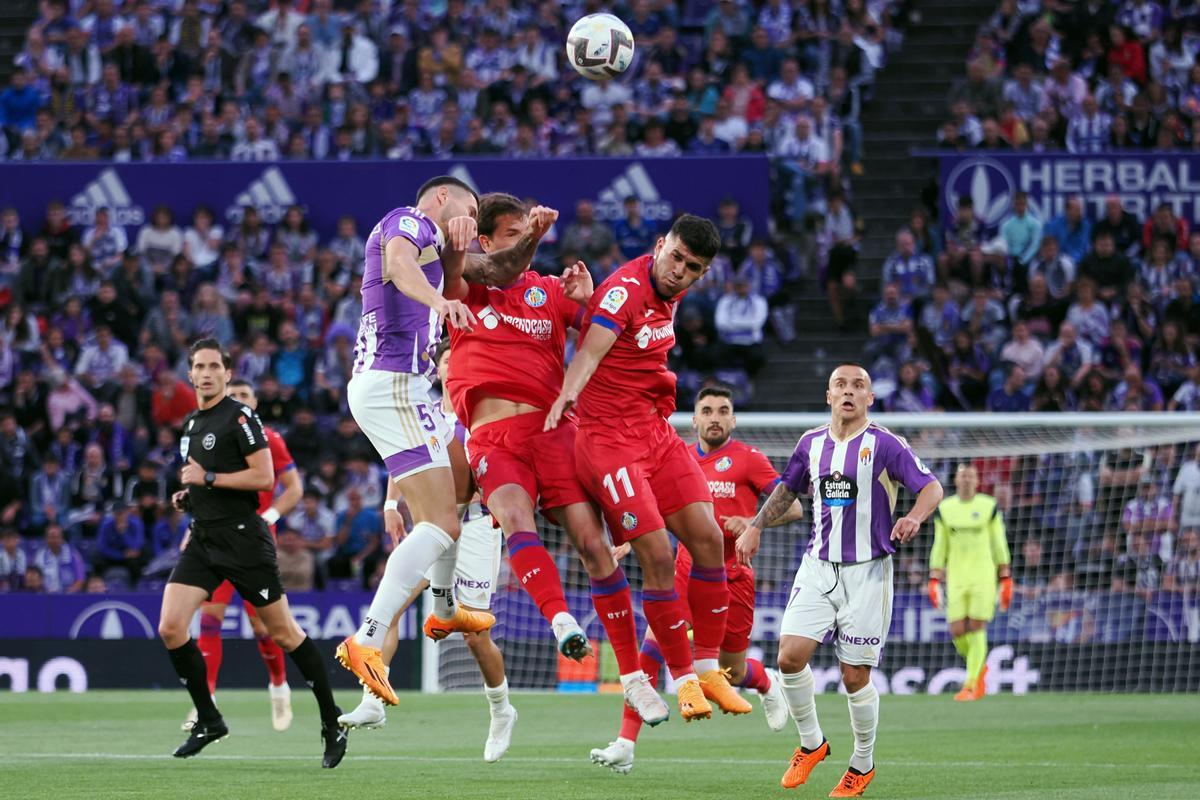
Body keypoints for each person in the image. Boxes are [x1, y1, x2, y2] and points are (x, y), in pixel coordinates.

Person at [437, 193, 662, 720]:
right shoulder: (463, 286)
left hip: (556, 431)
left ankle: (633, 677)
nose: (523, 247)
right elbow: (486, 269)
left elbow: (613, 328)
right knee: (515, 517)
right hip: (495, 440)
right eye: (513, 236)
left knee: (593, 545)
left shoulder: (547, 292)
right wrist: (530, 238)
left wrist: (587, 300)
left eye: (526, 235)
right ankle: (561, 621)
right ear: (486, 242)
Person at [335, 176, 553, 706]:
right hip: (393, 383)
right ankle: (367, 638)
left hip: (404, 391)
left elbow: (499, 271)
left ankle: (445, 607)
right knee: (440, 522)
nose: (474, 215)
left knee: (448, 510)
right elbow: (399, 266)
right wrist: (439, 299)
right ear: (440, 198)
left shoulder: (441, 246)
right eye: (471, 205)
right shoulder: (405, 221)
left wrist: (532, 239)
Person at [546, 214, 748, 722]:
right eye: (675, 257)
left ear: (701, 274)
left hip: (654, 434)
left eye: (692, 267)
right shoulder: (626, 289)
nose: (679, 270)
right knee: (657, 554)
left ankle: (706, 669)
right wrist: (567, 395)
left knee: (708, 538)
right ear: (661, 245)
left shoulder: (671, 295)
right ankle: (681, 681)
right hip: (609, 443)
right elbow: (590, 350)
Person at [734, 363, 943, 796]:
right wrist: (755, 526)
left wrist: (914, 516)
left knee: (854, 677)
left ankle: (862, 764)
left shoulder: (886, 445)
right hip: (818, 565)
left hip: (868, 572)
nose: (849, 392)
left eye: (858, 386)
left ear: (870, 398)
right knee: (789, 658)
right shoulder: (810, 443)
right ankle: (812, 745)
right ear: (828, 396)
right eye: (841, 385)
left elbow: (932, 487)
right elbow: (787, 490)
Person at [590, 386, 803, 774]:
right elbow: (644, 504)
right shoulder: (677, 457)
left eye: (723, 410)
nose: (715, 417)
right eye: (707, 410)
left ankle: (767, 681)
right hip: (684, 571)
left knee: (730, 673)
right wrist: (623, 539)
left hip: (733, 577)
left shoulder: (749, 460)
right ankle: (625, 743)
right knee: (650, 651)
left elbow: (795, 507)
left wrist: (755, 522)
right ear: (695, 420)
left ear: (734, 420)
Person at [158, 338, 347, 767]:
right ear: (190, 375)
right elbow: (204, 481)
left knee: (284, 634)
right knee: (172, 628)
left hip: (244, 542)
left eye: (213, 367)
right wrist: (189, 496)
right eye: (198, 367)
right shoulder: (192, 424)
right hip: (204, 539)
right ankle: (209, 719)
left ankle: (330, 720)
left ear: (226, 372)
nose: (206, 374)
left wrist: (206, 479)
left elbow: (263, 478)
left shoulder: (241, 417)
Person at [338, 342, 518, 762]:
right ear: (437, 371)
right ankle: (373, 701)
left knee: (475, 637)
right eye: (446, 362)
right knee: (394, 607)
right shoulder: (425, 413)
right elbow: (404, 459)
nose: (454, 368)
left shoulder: (486, 414)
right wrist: (388, 505)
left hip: (475, 527)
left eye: (461, 361)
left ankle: (501, 709)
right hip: (434, 523)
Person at [184, 378, 304, 733]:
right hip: (215, 540)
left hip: (253, 544)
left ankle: (279, 687)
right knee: (209, 622)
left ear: (255, 403)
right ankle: (205, 705)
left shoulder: (269, 439)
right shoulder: (210, 437)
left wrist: (271, 516)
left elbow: (295, 488)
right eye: (233, 395)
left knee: (264, 627)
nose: (238, 401)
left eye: (244, 396)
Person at [927, 464, 1013, 702]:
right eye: (963, 475)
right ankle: (979, 667)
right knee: (956, 630)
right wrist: (934, 578)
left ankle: (971, 684)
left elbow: (999, 541)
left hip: (983, 577)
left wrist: (1005, 576)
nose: (966, 480)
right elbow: (940, 545)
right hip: (956, 577)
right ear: (956, 479)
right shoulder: (945, 509)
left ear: (977, 480)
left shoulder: (989, 506)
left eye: (971, 476)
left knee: (976, 626)